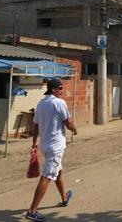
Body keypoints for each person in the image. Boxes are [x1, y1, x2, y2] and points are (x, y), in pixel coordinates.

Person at [26, 78, 78, 222]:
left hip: (45, 146)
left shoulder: (41, 103)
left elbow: (35, 125)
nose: (62, 91)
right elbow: (68, 123)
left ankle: (64, 198)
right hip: (55, 146)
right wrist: (75, 130)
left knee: (58, 171)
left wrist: (34, 142)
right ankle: (32, 210)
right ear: (54, 90)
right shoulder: (59, 103)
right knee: (47, 176)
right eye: (61, 88)